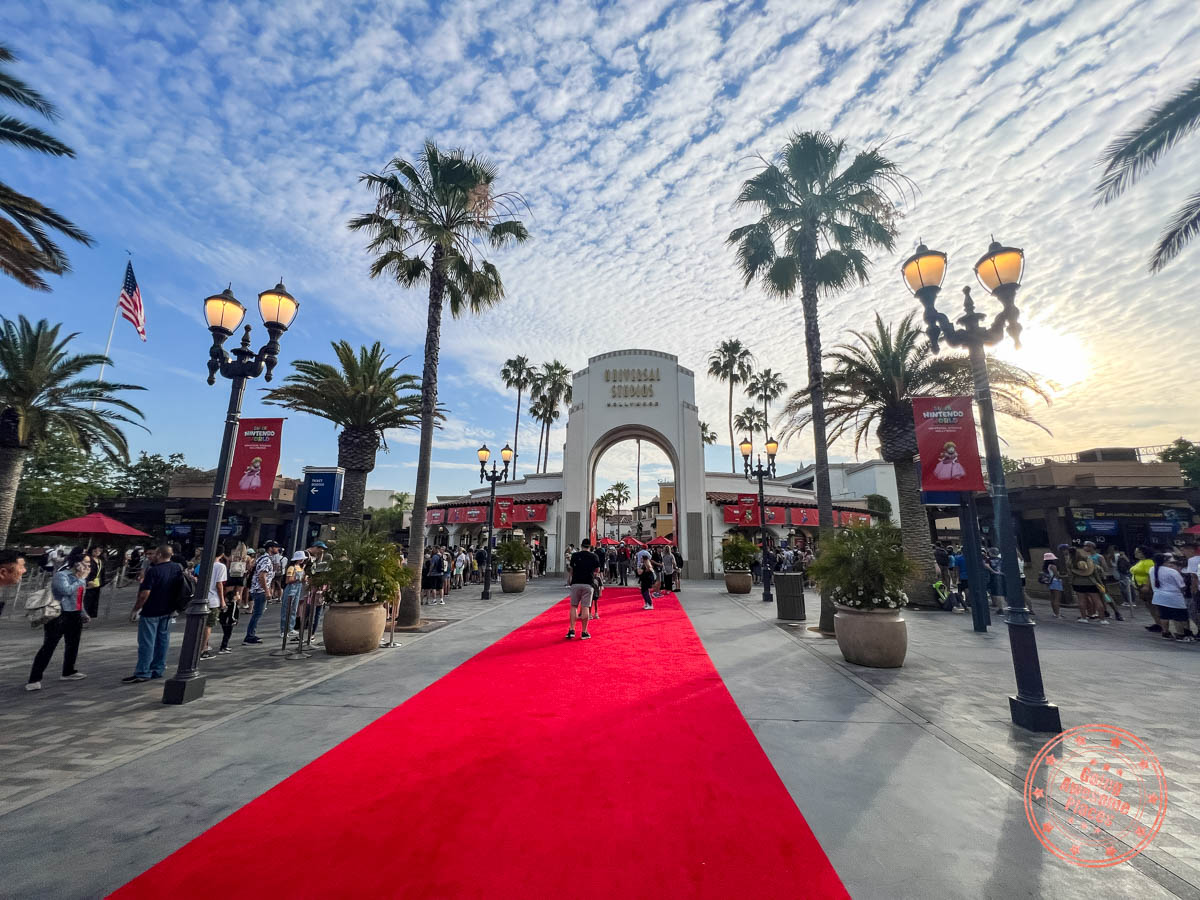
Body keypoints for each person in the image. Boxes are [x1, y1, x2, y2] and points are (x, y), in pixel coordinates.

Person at [26, 555, 90, 691]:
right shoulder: (62, 575)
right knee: (49, 645)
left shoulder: (82, 579)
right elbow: (66, 591)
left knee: (73, 644)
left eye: (89, 564)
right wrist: (80, 579)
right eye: (85, 563)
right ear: (75, 563)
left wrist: (83, 612)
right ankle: (34, 678)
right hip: (59, 614)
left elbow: (79, 597)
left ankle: (68, 671)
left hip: (75, 614)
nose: (87, 566)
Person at [123, 545, 182, 683]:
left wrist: (136, 609)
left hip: (151, 610)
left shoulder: (153, 571)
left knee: (147, 642)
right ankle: (158, 668)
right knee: (163, 641)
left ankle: (143, 671)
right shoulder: (176, 568)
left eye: (154, 553)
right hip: (168, 609)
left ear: (160, 555)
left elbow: (145, 594)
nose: (151, 556)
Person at [244, 540, 280, 644]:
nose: (277, 549)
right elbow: (262, 576)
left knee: (257, 613)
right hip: (260, 590)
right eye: (276, 547)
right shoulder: (266, 560)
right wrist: (267, 591)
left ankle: (251, 634)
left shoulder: (261, 558)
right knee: (257, 614)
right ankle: (250, 636)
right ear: (270, 548)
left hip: (256, 588)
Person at [1150, 552, 1191, 641]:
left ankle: (1165, 633)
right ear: (1165, 561)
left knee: (1164, 616)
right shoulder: (1172, 572)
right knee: (1178, 616)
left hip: (1159, 596)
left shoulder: (1152, 569)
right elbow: (1182, 586)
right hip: (1174, 597)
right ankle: (1180, 634)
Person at [566, 538, 600, 640]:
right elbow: (597, 570)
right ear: (589, 546)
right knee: (585, 607)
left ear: (581, 546)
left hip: (576, 582)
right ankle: (584, 631)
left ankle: (572, 629)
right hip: (588, 583)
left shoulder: (575, 556)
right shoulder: (594, 556)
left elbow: (571, 570)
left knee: (573, 606)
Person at [200, 552, 229, 659]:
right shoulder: (221, 566)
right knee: (208, 625)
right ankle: (203, 649)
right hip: (213, 599)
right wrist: (222, 601)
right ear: (222, 554)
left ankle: (202, 646)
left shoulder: (203, 564)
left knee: (200, 624)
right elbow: (219, 584)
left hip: (201, 597)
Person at [1069, 546, 1104, 623]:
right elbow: (1094, 572)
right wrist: (1100, 583)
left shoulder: (1071, 562)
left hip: (1077, 583)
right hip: (1091, 582)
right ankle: (1102, 619)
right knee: (1097, 600)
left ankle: (1083, 617)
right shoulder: (1088, 559)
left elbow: (1070, 573)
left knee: (1081, 600)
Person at [1129, 545, 1159, 632]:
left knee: (1153, 606)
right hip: (1139, 587)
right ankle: (1157, 622)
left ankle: (1160, 623)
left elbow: (1150, 574)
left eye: (1138, 552)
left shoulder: (1148, 562)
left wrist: (1147, 585)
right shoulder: (1140, 562)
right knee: (1149, 606)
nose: (1136, 553)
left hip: (1146, 587)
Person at [280, 551, 307, 639]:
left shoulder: (301, 567)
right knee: (286, 609)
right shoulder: (291, 568)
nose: (302, 560)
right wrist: (297, 579)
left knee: (294, 609)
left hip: (298, 588)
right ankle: (283, 630)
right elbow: (288, 580)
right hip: (291, 588)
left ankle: (291, 628)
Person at [218, 567, 241, 653]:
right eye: (238, 595)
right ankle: (223, 647)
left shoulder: (226, 604)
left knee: (225, 633)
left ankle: (224, 646)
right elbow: (233, 613)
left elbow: (222, 612)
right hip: (229, 621)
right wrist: (234, 620)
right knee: (227, 634)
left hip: (223, 621)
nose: (239, 597)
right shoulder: (233, 604)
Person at [82, 545, 104, 618]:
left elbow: (102, 572)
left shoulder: (100, 560)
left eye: (99, 551)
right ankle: (84, 616)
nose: (98, 552)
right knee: (86, 601)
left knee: (94, 601)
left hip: (97, 583)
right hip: (89, 583)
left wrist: (102, 582)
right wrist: (87, 581)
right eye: (95, 551)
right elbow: (84, 570)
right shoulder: (88, 559)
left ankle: (89, 616)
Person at [1040, 552, 1063, 618]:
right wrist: (1063, 576)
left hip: (1050, 582)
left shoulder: (1046, 566)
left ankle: (1055, 613)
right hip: (1056, 582)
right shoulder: (1053, 566)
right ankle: (1058, 614)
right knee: (1057, 599)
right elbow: (1057, 575)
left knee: (1052, 598)